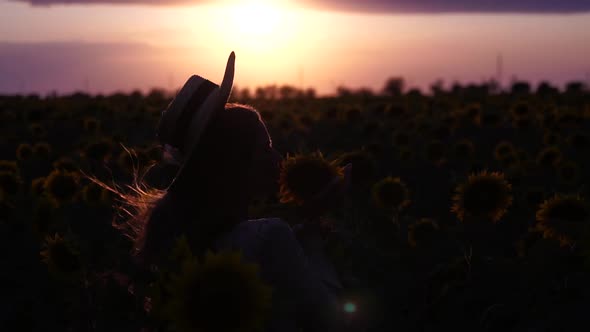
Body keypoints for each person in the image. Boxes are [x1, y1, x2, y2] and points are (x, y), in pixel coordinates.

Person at [109, 52, 346, 331]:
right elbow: (330, 317)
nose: (278, 158)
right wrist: (314, 245)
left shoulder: (177, 245)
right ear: (236, 162)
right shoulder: (271, 237)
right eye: (266, 148)